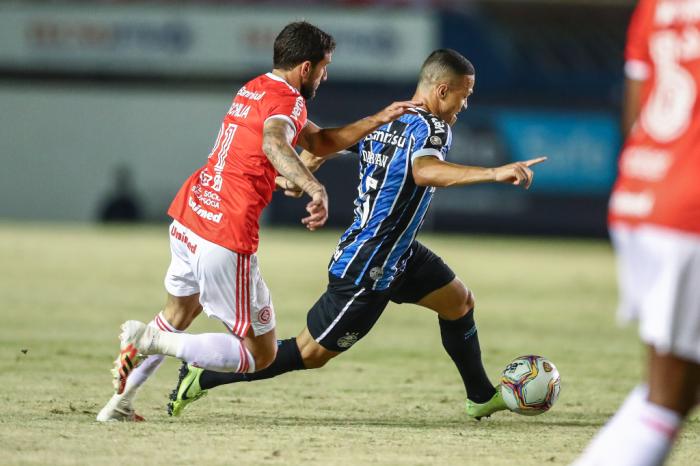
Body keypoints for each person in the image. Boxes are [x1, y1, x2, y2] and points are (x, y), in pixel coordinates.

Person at [167, 49, 546, 420]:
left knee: (459, 302)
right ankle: (203, 375)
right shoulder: (434, 127)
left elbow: (338, 148)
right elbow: (425, 171)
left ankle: (479, 396)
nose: (466, 104)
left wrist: (304, 173)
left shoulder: (390, 119)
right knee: (309, 354)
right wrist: (495, 173)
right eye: (466, 94)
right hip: (368, 264)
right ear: (443, 90)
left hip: (399, 252)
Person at [96, 21, 418, 422]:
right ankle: (149, 340)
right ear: (306, 67)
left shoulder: (256, 87)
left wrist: (378, 119)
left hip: (192, 215)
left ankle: (119, 404)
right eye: (323, 66)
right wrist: (313, 186)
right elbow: (273, 142)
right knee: (258, 354)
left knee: (178, 314)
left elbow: (316, 142)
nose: (325, 75)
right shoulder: (289, 100)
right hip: (224, 231)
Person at [573, 0, 700, 464]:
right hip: (691, 206)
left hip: (644, 192)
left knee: (671, 392)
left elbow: (636, 105)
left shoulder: (658, 5)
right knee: (668, 397)